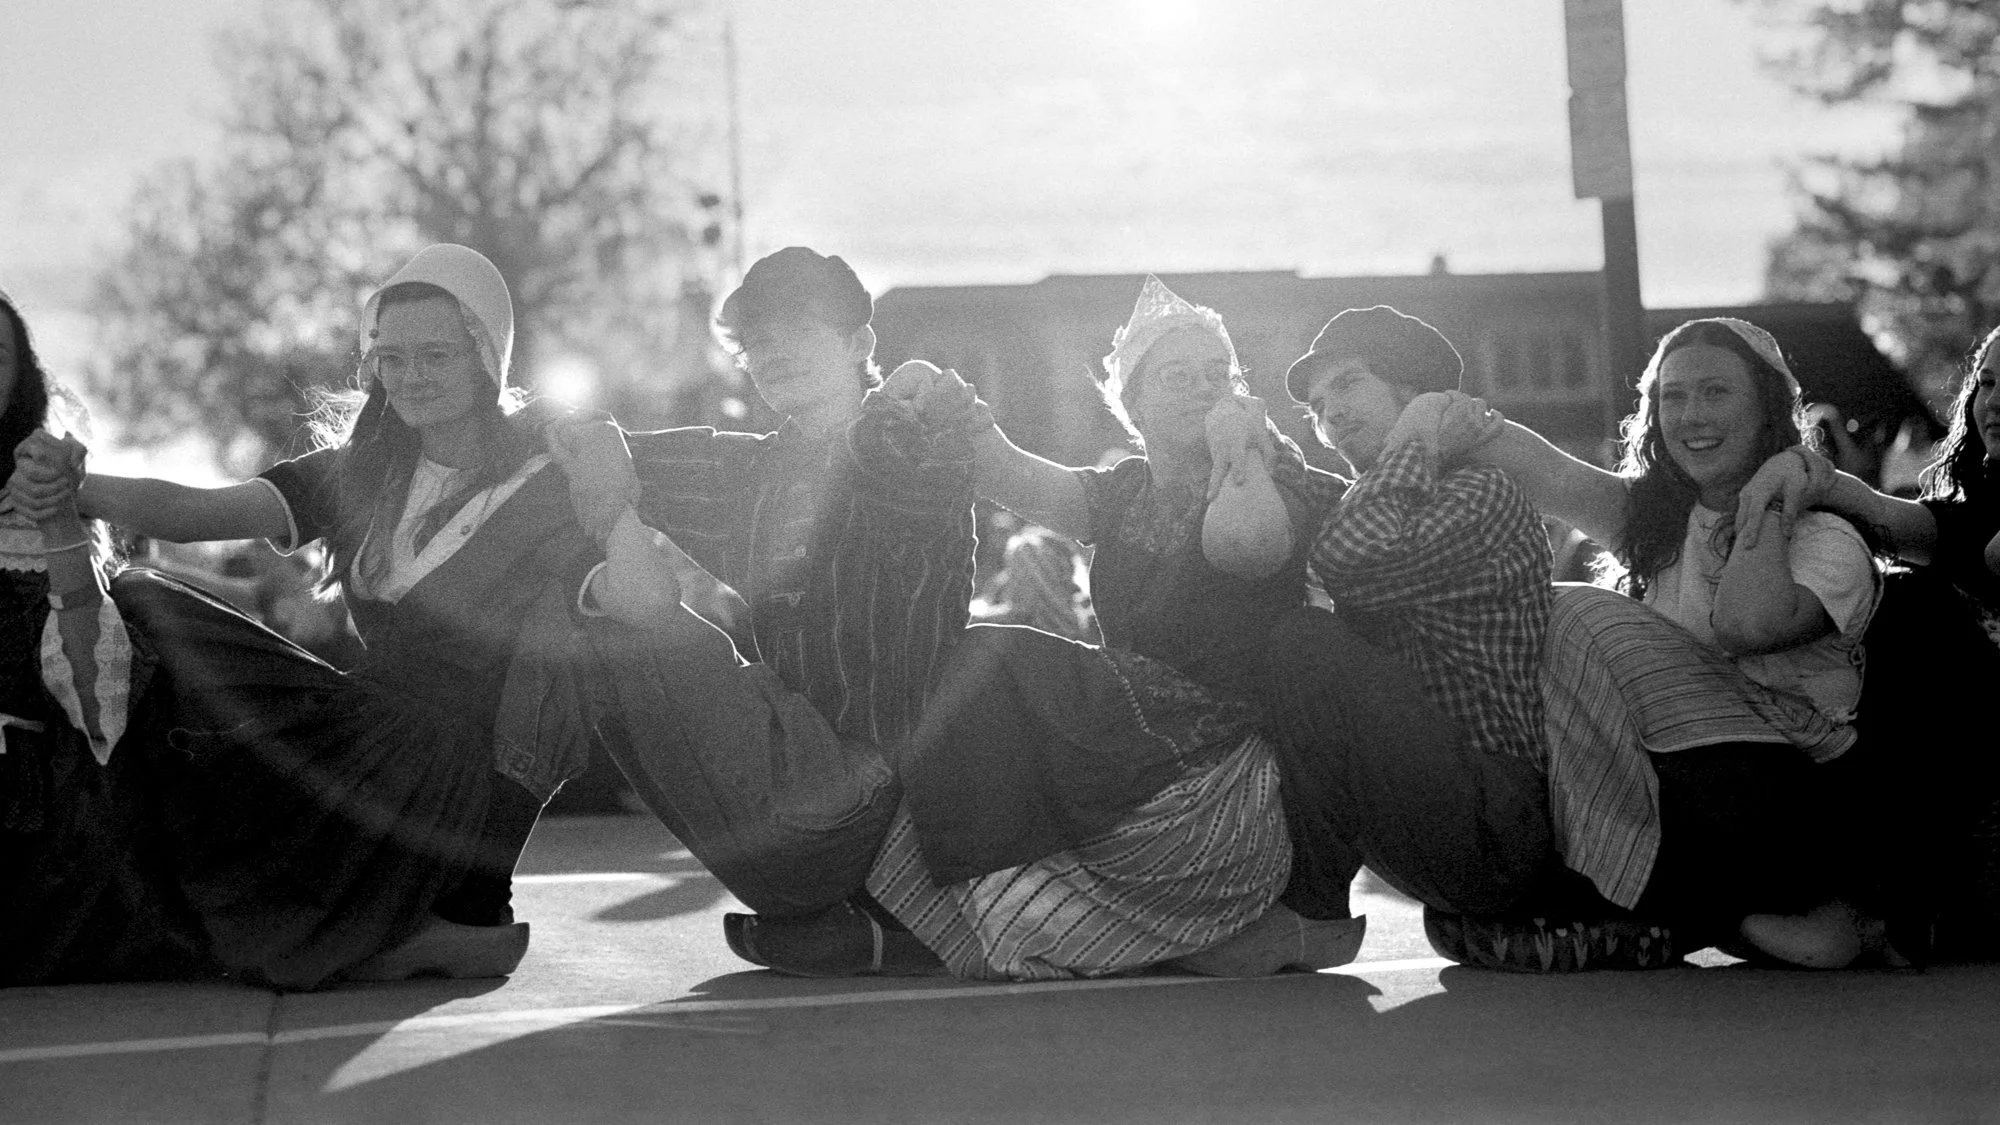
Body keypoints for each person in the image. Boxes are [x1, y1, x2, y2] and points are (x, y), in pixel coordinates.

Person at [6, 245, 691, 989]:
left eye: (436, 354)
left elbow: (649, 601)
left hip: (453, 763)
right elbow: (196, 510)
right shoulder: (359, 472)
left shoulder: (542, 487)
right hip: (365, 736)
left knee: (149, 606)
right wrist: (68, 480)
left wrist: (606, 489)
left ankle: (438, 915)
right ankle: (411, 931)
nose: (411, 377)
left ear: (488, 355)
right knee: (145, 610)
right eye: (391, 358)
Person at [807, 276, 1364, 980]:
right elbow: (1003, 468)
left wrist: (1239, 449)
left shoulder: (1279, 473)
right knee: (960, 666)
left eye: (1216, 374)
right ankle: (957, 911)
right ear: (1134, 404)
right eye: (1176, 375)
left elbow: (1248, 548)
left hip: (1227, 760)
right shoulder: (1123, 490)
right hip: (1134, 744)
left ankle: (968, 921)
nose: (1202, 387)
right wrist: (940, 394)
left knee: (996, 656)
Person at [1462, 316, 1897, 969]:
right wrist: (1439, 415)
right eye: (1673, 396)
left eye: (1716, 392)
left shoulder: (1828, 538)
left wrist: (1772, 491)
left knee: (1572, 612)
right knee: (1546, 630)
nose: (1691, 413)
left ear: (1769, 408)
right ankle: (1741, 918)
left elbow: (1746, 625)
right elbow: (1539, 468)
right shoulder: (1656, 523)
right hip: (1692, 798)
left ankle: (1624, 897)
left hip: (1799, 804)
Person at [1255, 305, 1670, 972]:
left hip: (1493, 817)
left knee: (1304, 642)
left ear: (1414, 390)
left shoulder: (1483, 492)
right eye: (1317, 405)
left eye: (1350, 383)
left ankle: (1313, 913)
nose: (1329, 415)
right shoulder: (1378, 496)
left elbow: (1347, 555)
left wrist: (1419, 431)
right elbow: (1331, 513)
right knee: (1279, 638)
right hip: (1445, 804)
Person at [1732, 322, 2000, 958]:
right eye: (1986, 383)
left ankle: (1898, 907)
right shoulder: (1983, 504)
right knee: (1901, 598)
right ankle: (1887, 896)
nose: (1995, 400)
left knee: (1919, 605)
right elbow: (1910, 524)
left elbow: (1987, 554)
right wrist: (1813, 480)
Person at [0, 289, 214, 984]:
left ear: (19, 379)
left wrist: (61, 526)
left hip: (32, 825)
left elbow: (100, 708)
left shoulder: (38, 504)